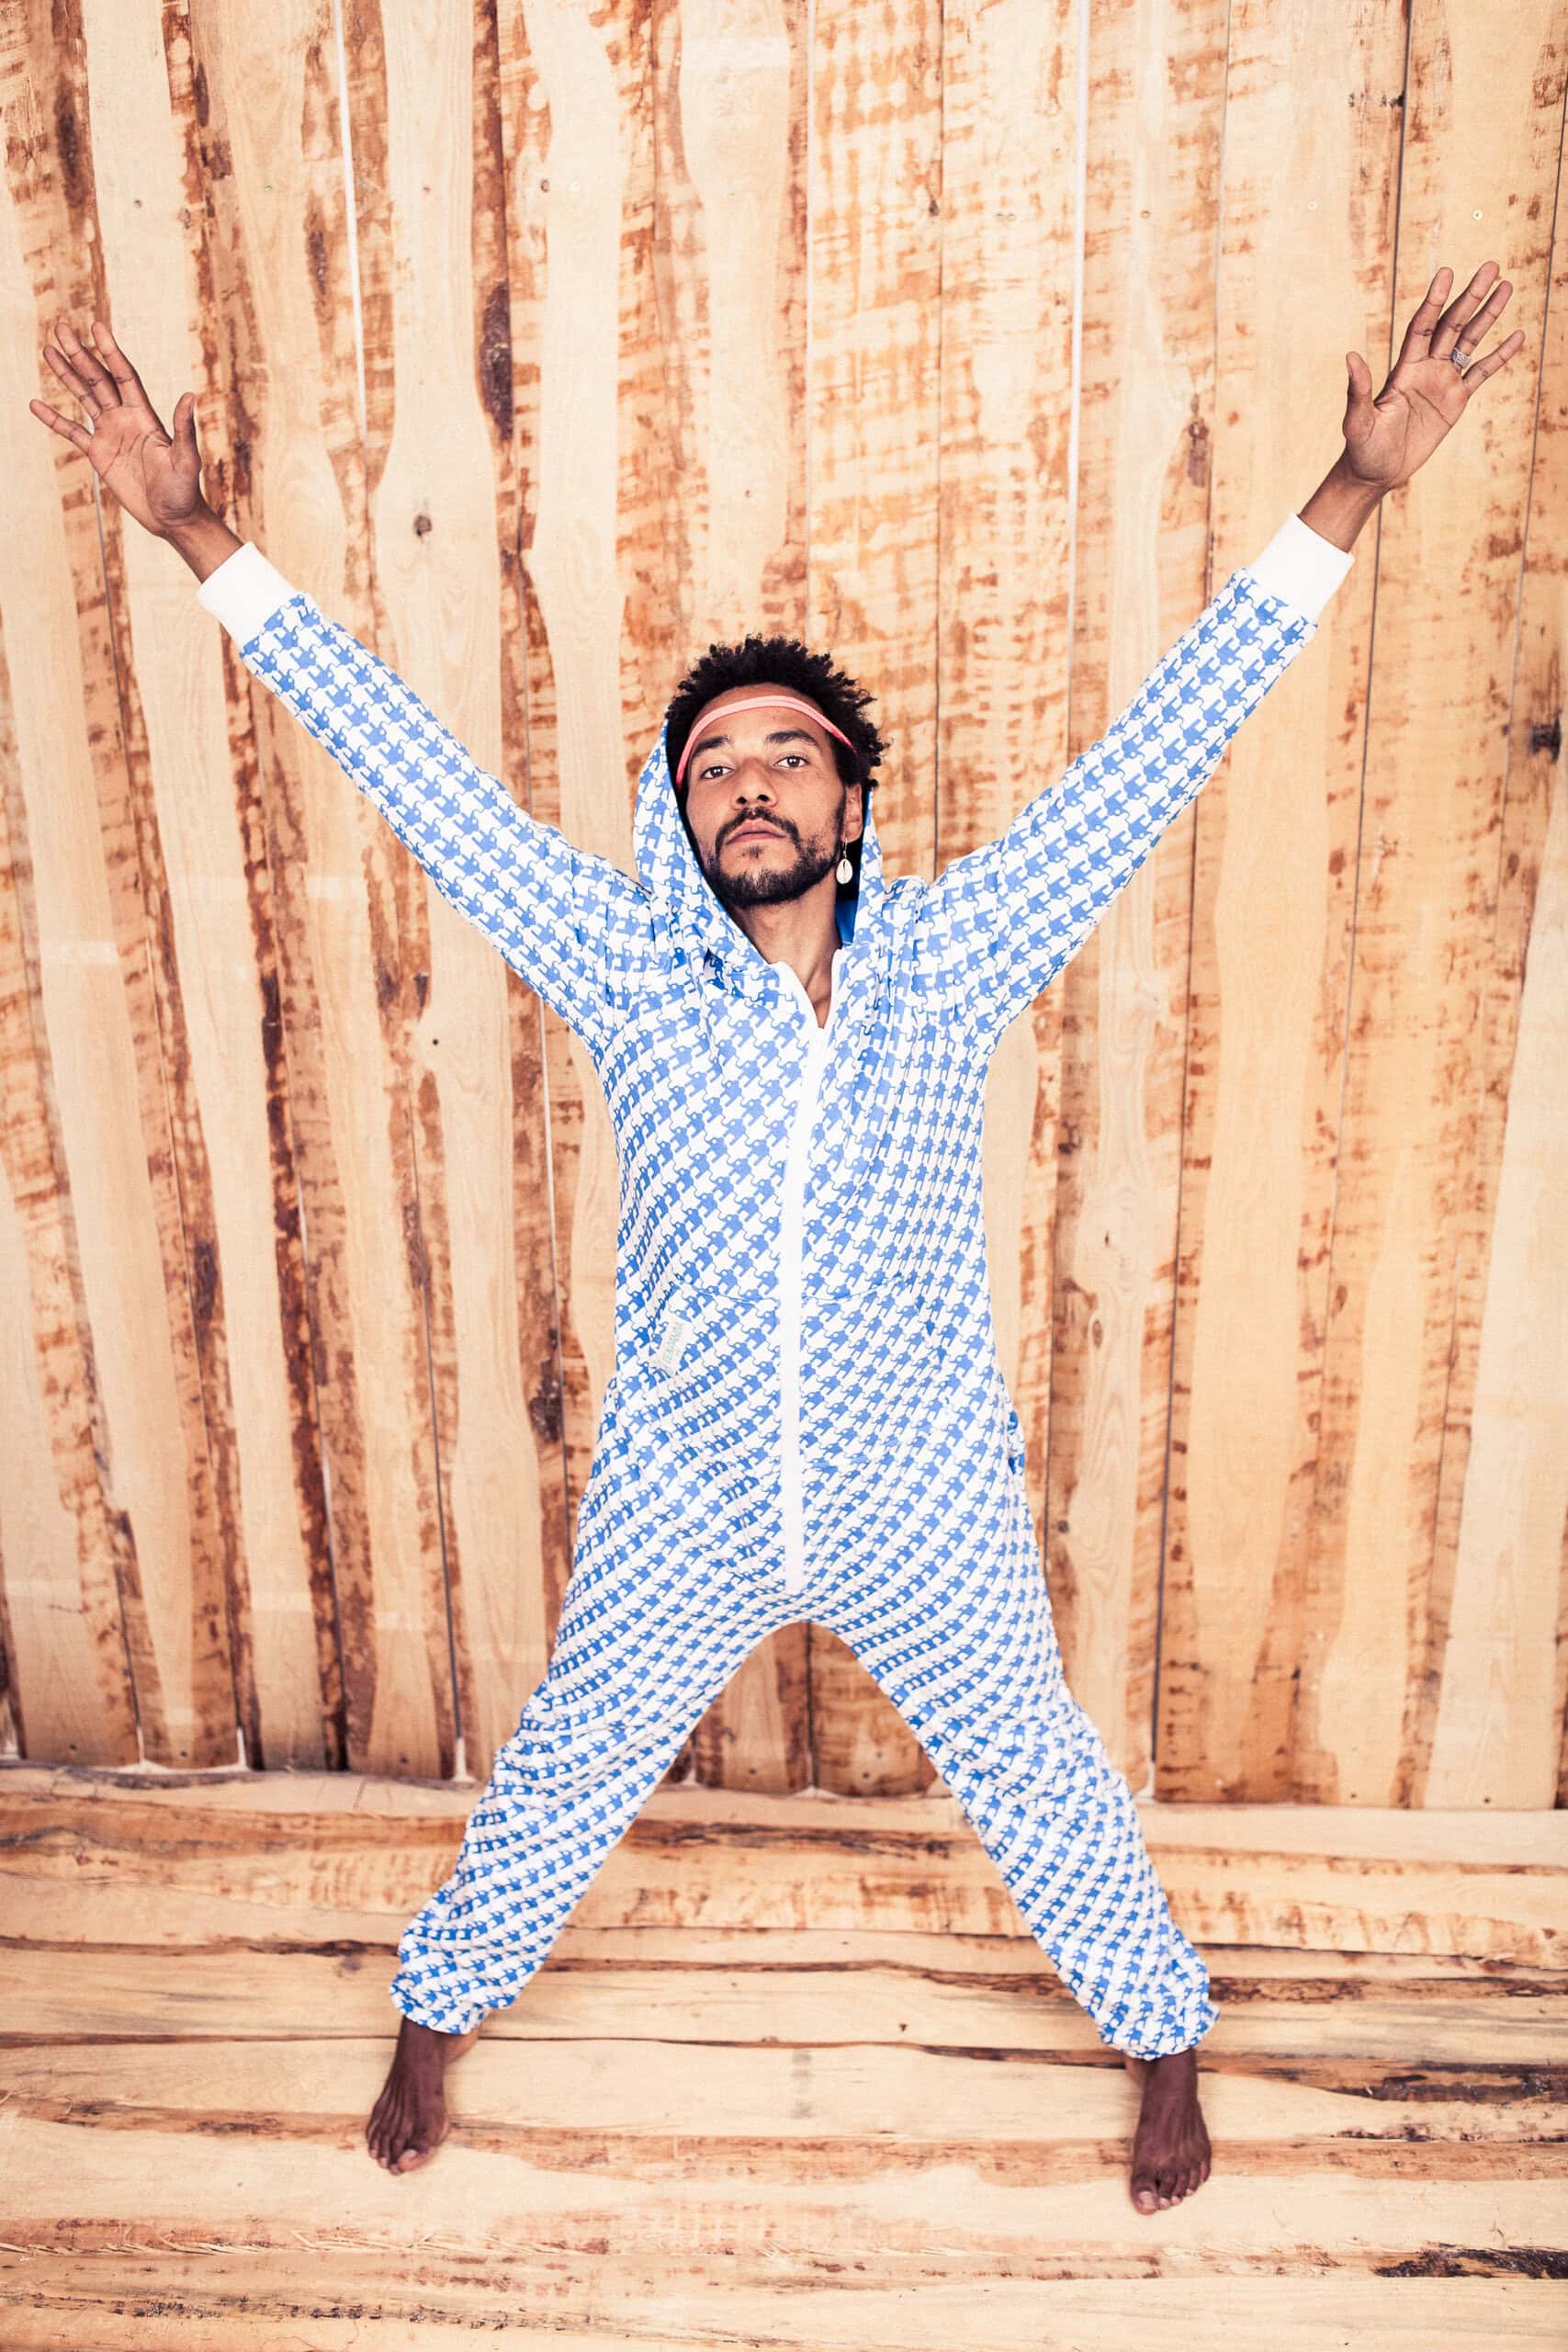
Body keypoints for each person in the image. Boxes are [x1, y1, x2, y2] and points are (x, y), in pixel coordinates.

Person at [29, 263, 1520, 2214]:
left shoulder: (959, 954)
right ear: (680, 814)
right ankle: (433, 2013)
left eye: (787, 754)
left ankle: (1161, 2033)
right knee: (566, 1767)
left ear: (849, 803)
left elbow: (1169, 741)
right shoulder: (618, 961)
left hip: (922, 1493)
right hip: (692, 1493)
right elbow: (402, 762)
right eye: (713, 761)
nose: (749, 780)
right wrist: (191, 529)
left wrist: (1356, 484)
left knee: (1039, 1771)